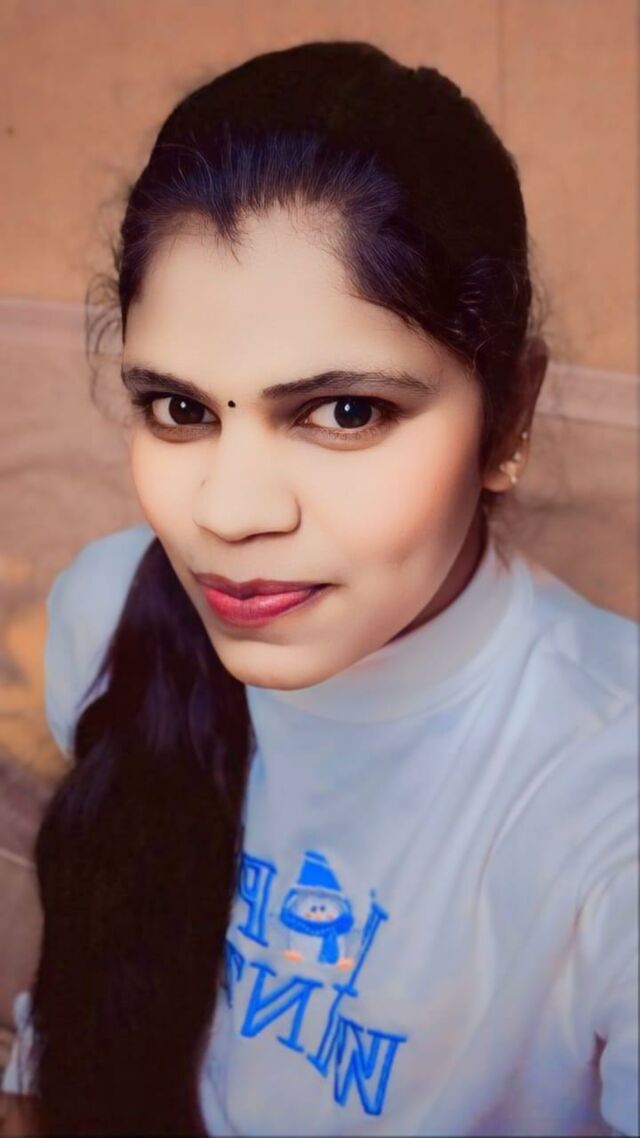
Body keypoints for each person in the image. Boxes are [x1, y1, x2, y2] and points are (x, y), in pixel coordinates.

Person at [1, 39, 637, 1138]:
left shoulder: (606, 798)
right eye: (180, 409)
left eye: (344, 411)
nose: (230, 512)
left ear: (508, 417)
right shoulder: (103, 615)